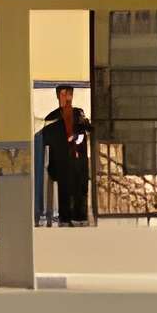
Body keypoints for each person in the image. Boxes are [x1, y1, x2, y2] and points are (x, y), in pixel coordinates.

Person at [41, 83, 90, 226]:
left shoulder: (79, 113)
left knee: (80, 186)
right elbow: (47, 137)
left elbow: (86, 130)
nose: (66, 97)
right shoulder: (52, 117)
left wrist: (77, 135)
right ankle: (65, 218)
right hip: (60, 159)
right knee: (64, 186)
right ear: (58, 96)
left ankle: (80, 217)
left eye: (69, 94)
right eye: (63, 94)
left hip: (78, 159)